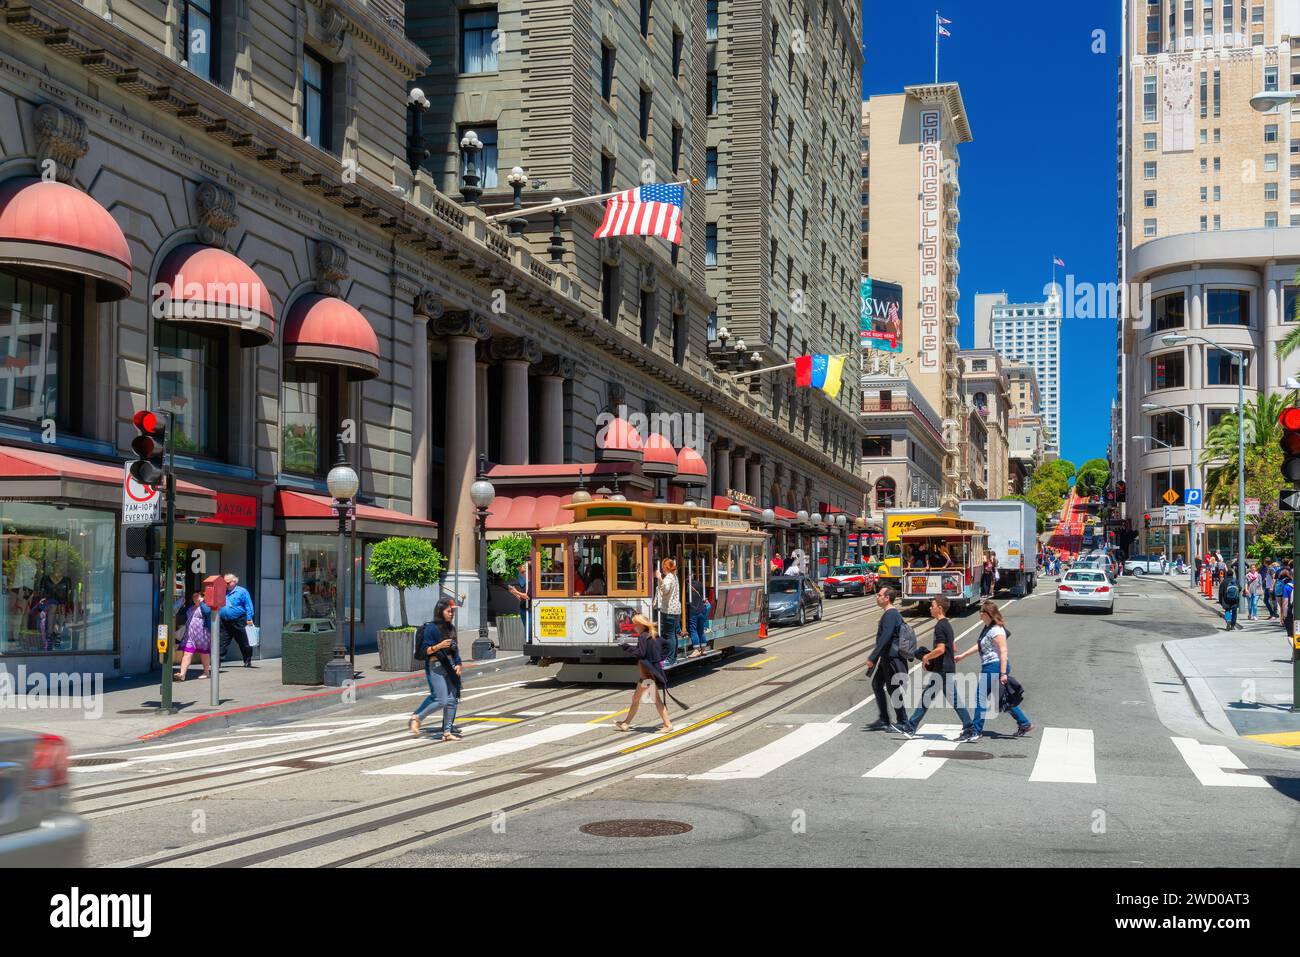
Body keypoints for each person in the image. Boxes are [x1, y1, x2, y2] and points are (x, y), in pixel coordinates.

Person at [954, 600, 1032, 742]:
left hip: (994, 666)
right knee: (1002, 698)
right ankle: (1024, 723)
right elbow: (981, 646)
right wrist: (963, 656)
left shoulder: (996, 630)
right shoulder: (988, 628)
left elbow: (1003, 650)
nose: (980, 615)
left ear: (988, 614)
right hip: (992, 666)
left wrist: (1003, 673)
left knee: (980, 697)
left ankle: (976, 730)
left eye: (981, 613)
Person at [906, 596, 973, 734]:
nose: (930, 607)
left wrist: (926, 657)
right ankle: (911, 726)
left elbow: (941, 649)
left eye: (933, 605)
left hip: (943, 668)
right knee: (928, 696)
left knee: (953, 699)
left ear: (940, 608)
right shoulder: (946, 624)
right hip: (942, 667)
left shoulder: (940, 626)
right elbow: (952, 647)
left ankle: (969, 727)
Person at [409, 597, 463, 741]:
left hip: (450, 666)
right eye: (448, 611)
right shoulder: (431, 628)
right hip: (436, 666)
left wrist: (458, 663)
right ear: (440, 611)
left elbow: (455, 649)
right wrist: (439, 646)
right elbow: (424, 651)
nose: (451, 614)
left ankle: (447, 732)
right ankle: (417, 718)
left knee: (452, 700)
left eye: (453, 612)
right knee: (441, 700)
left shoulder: (451, 628)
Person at [865, 586, 912, 737]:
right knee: (877, 684)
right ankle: (884, 719)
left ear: (887, 598)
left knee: (893, 690)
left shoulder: (891, 614)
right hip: (887, 657)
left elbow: (886, 637)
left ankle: (903, 721)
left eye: (879, 595)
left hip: (892, 658)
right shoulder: (890, 614)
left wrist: (873, 657)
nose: (876, 597)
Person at [615, 614, 672, 733]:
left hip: (648, 676)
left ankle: (667, 725)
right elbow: (667, 646)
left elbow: (640, 653)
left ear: (640, 625)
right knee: (636, 698)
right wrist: (659, 658)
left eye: (634, 624)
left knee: (655, 700)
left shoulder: (643, 637)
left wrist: (625, 646)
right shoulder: (653, 634)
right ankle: (626, 723)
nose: (633, 626)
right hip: (646, 674)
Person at [217, 572, 255, 667]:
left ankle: (247, 659)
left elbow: (249, 606)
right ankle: (218, 661)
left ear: (234, 581)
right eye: (224, 582)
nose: (226, 585)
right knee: (222, 641)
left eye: (228, 583)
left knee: (244, 641)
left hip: (239, 620)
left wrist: (249, 618)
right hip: (224, 620)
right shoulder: (222, 591)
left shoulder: (242, 591)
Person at [176, 591, 212, 681]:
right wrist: (181, 602)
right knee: (187, 653)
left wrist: (202, 602)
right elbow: (179, 612)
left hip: (203, 634)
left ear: (202, 597)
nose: (195, 598)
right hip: (190, 635)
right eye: (193, 597)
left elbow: (208, 612)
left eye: (197, 596)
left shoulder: (205, 606)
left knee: (204, 653)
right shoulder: (190, 608)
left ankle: (206, 672)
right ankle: (182, 674)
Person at [655, 557, 682, 666]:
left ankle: (670, 659)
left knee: (669, 634)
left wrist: (659, 578)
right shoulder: (674, 577)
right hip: (675, 610)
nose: (662, 569)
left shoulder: (669, 578)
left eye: (662, 567)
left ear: (666, 567)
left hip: (669, 610)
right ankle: (673, 657)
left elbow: (665, 590)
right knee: (673, 634)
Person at [685, 572, 711, 659]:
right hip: (702, 609)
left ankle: (696, 650)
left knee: (693, 629)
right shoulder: (699, 583)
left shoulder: (685, 585)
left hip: (693, 610)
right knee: (701, 629)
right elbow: (704, 595)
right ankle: (703, 649)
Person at [506, 561, 531, 643]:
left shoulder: (531, 583)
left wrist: (516, 592)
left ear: (529, 571)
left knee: (529, 630)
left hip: (529, 610)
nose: (522, 574)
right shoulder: (525, 584)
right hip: (523, 609)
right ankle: (528, 643)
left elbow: (527, 596)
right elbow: (522, 598)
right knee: (526, 629)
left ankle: (530, 644)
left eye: (523, 572)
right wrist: (514, 592)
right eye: (521, 573)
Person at [1218, 567, 1242, 632]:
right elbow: (1240, 588)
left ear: (1226, 574)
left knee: (1227, 610)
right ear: (1232, 574)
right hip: (1235, 600)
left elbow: (1220, 592)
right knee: (1234, 612)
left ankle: (1228, 620)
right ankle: (1233, 625)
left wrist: (1220, 600)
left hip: (1226, 600)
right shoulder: (1235, 581)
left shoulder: (1224, 582)